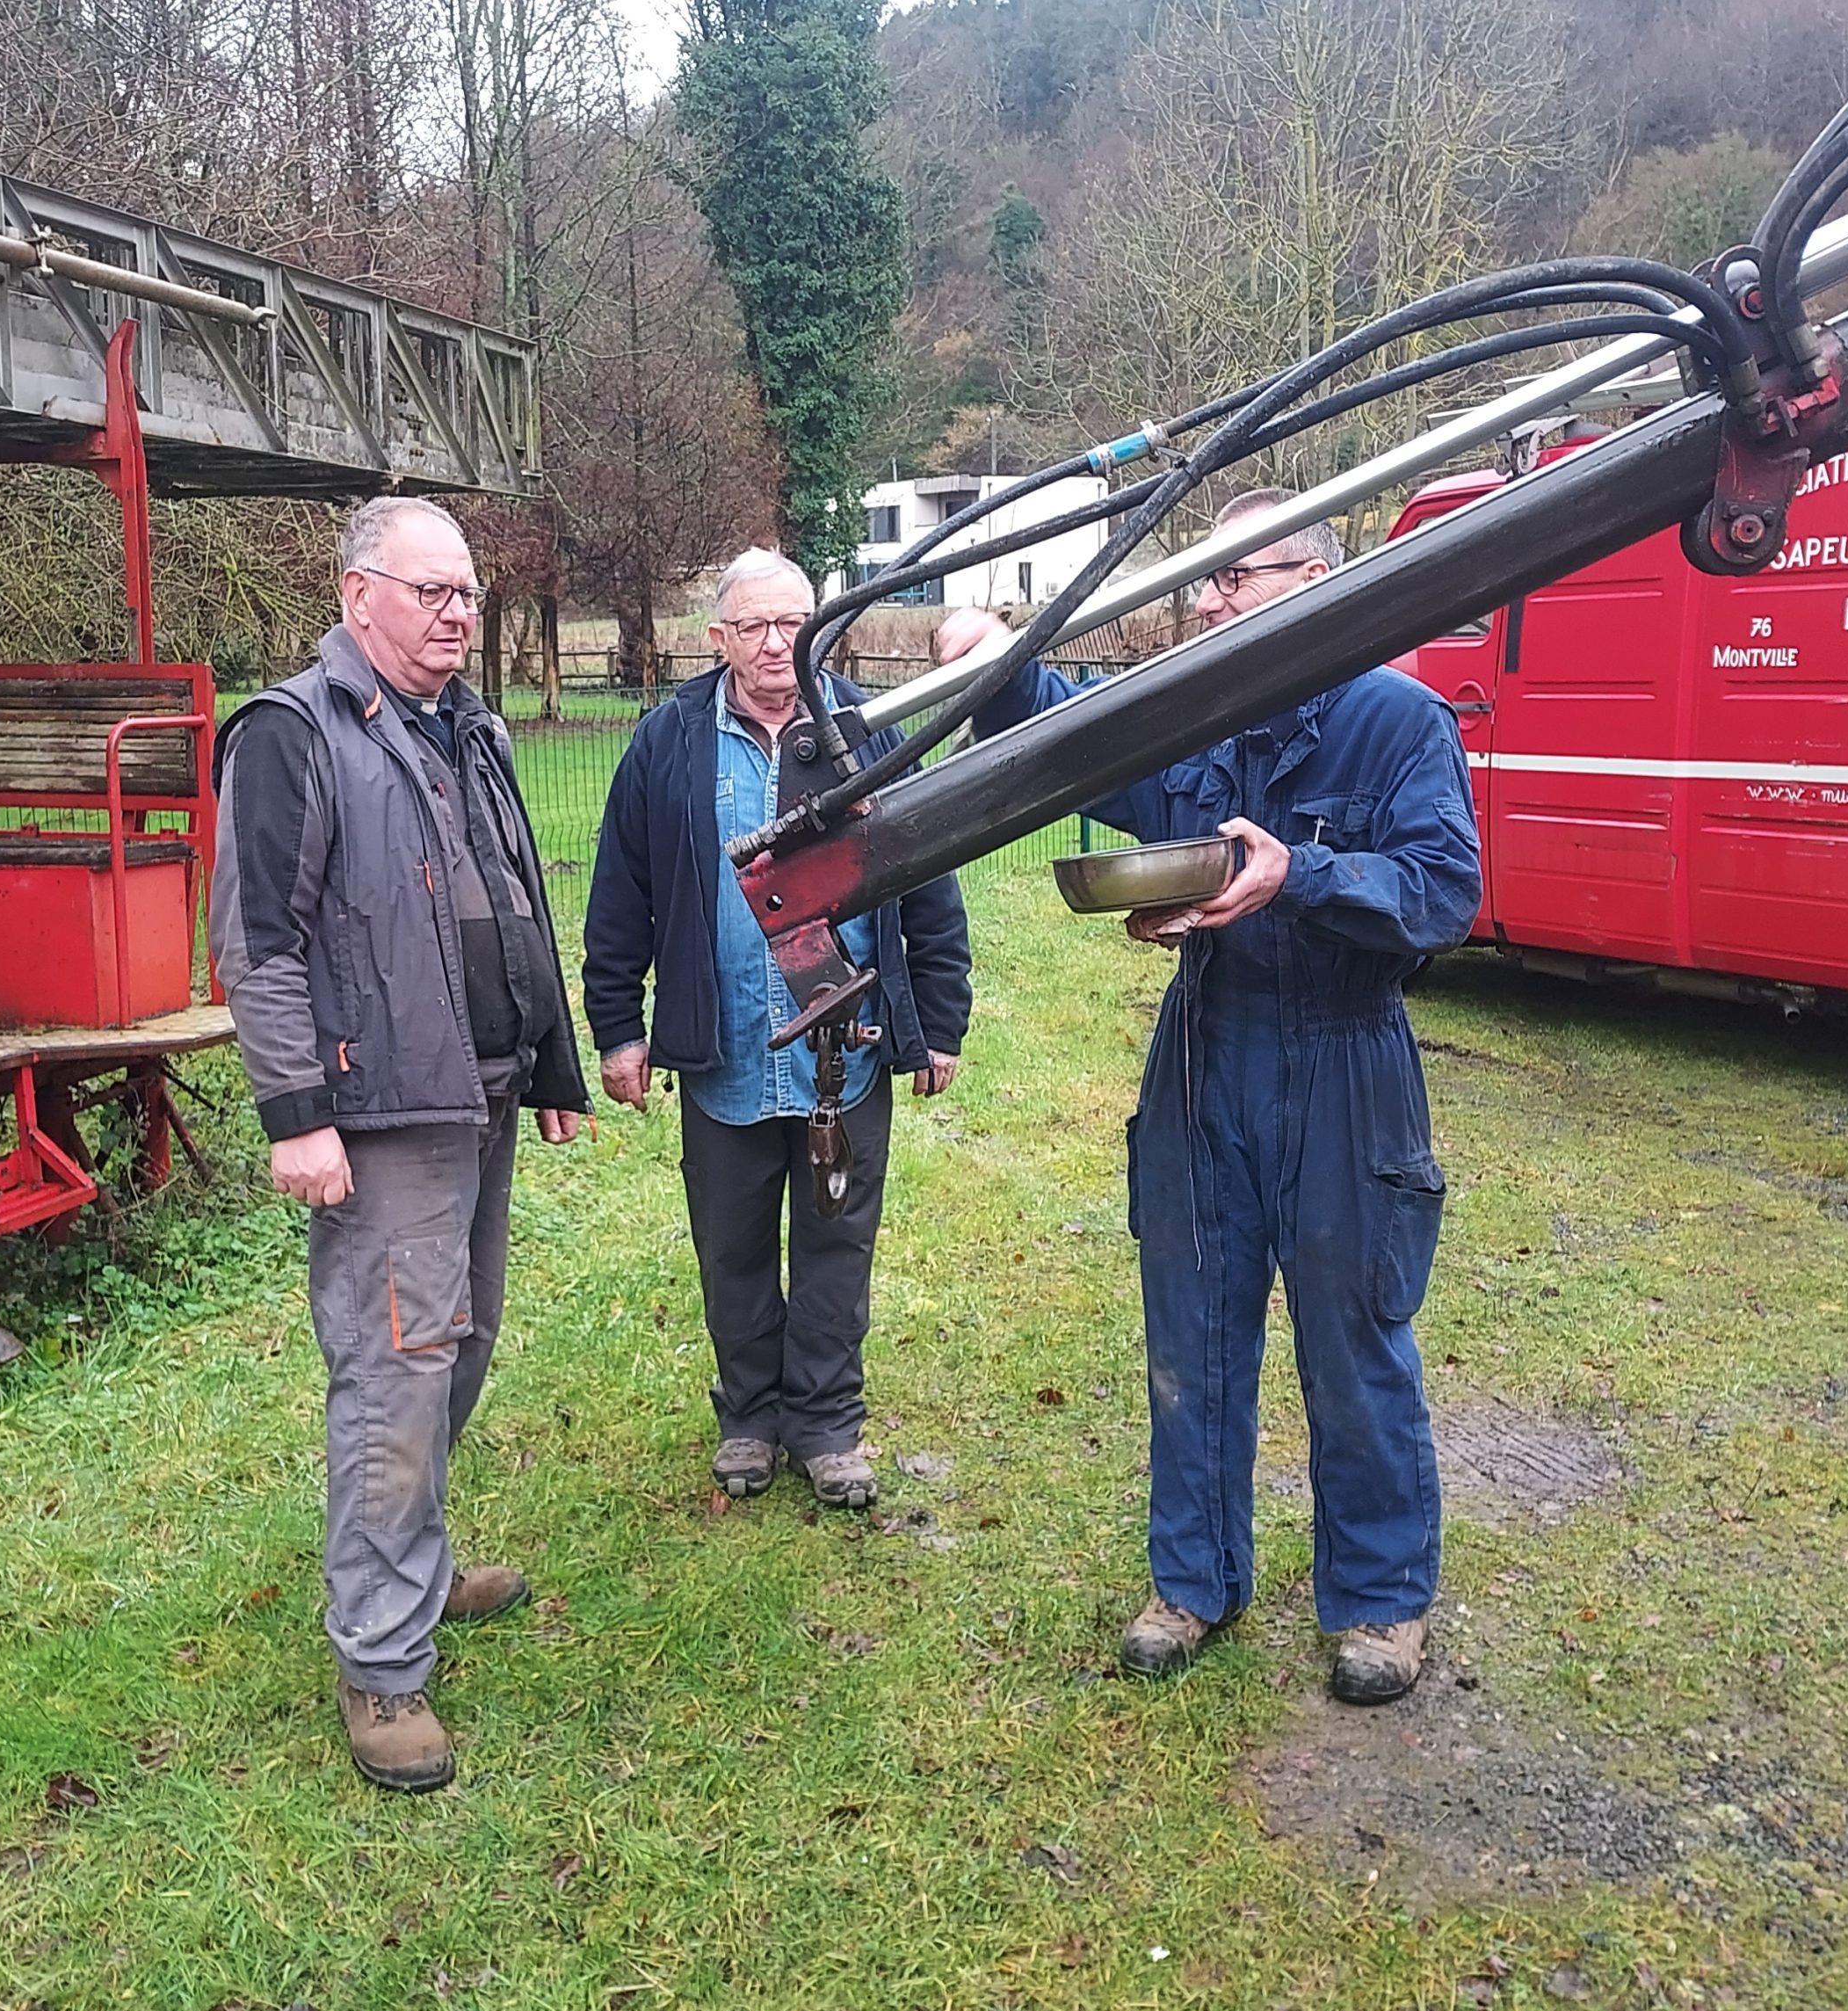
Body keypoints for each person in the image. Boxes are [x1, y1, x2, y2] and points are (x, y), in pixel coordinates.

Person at [933, 489, 1481, 1705]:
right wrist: (994, 669)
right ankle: (1195, 1581)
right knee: (1193, 1332)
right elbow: (1081, 746)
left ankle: (1384, 1604)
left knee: (1354, 1342)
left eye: (1242, 575)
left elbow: (1444, 891)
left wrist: (1302, 873)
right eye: (1208, 579)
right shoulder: (1199, 714)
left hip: (1345, 1060)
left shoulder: (1398, 722)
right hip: (1204, 1052)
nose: (1213, 598)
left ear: (1319, 580)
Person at [211, 495, 590, 1793]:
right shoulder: (291, 733)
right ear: (357, 593)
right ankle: (381, 1665)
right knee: (393, 1369)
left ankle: (412, 1569)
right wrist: (295, 1112)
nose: (458, 615)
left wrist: (550, 1063)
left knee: (457, 1345)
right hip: (379, 1119)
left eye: (469, 594)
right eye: (432, 592)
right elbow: (259, 945)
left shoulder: (463, 730)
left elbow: (514, 904)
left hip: (475, 1095)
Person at [584, 548, 972, 1511]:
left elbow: (928, 880)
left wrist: (941, 1021)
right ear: (716, 638)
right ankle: (750, 1419)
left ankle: (828, 1426)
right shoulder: (666, 744)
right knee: (733, 1244)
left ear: (819, 632)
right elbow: (620, 892)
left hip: (850, 1049)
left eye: (791, 625)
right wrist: (616, 1027)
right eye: (752, 626)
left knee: (838, 1241)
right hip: (722, 1049)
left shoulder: (866, 735)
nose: (774, 644)